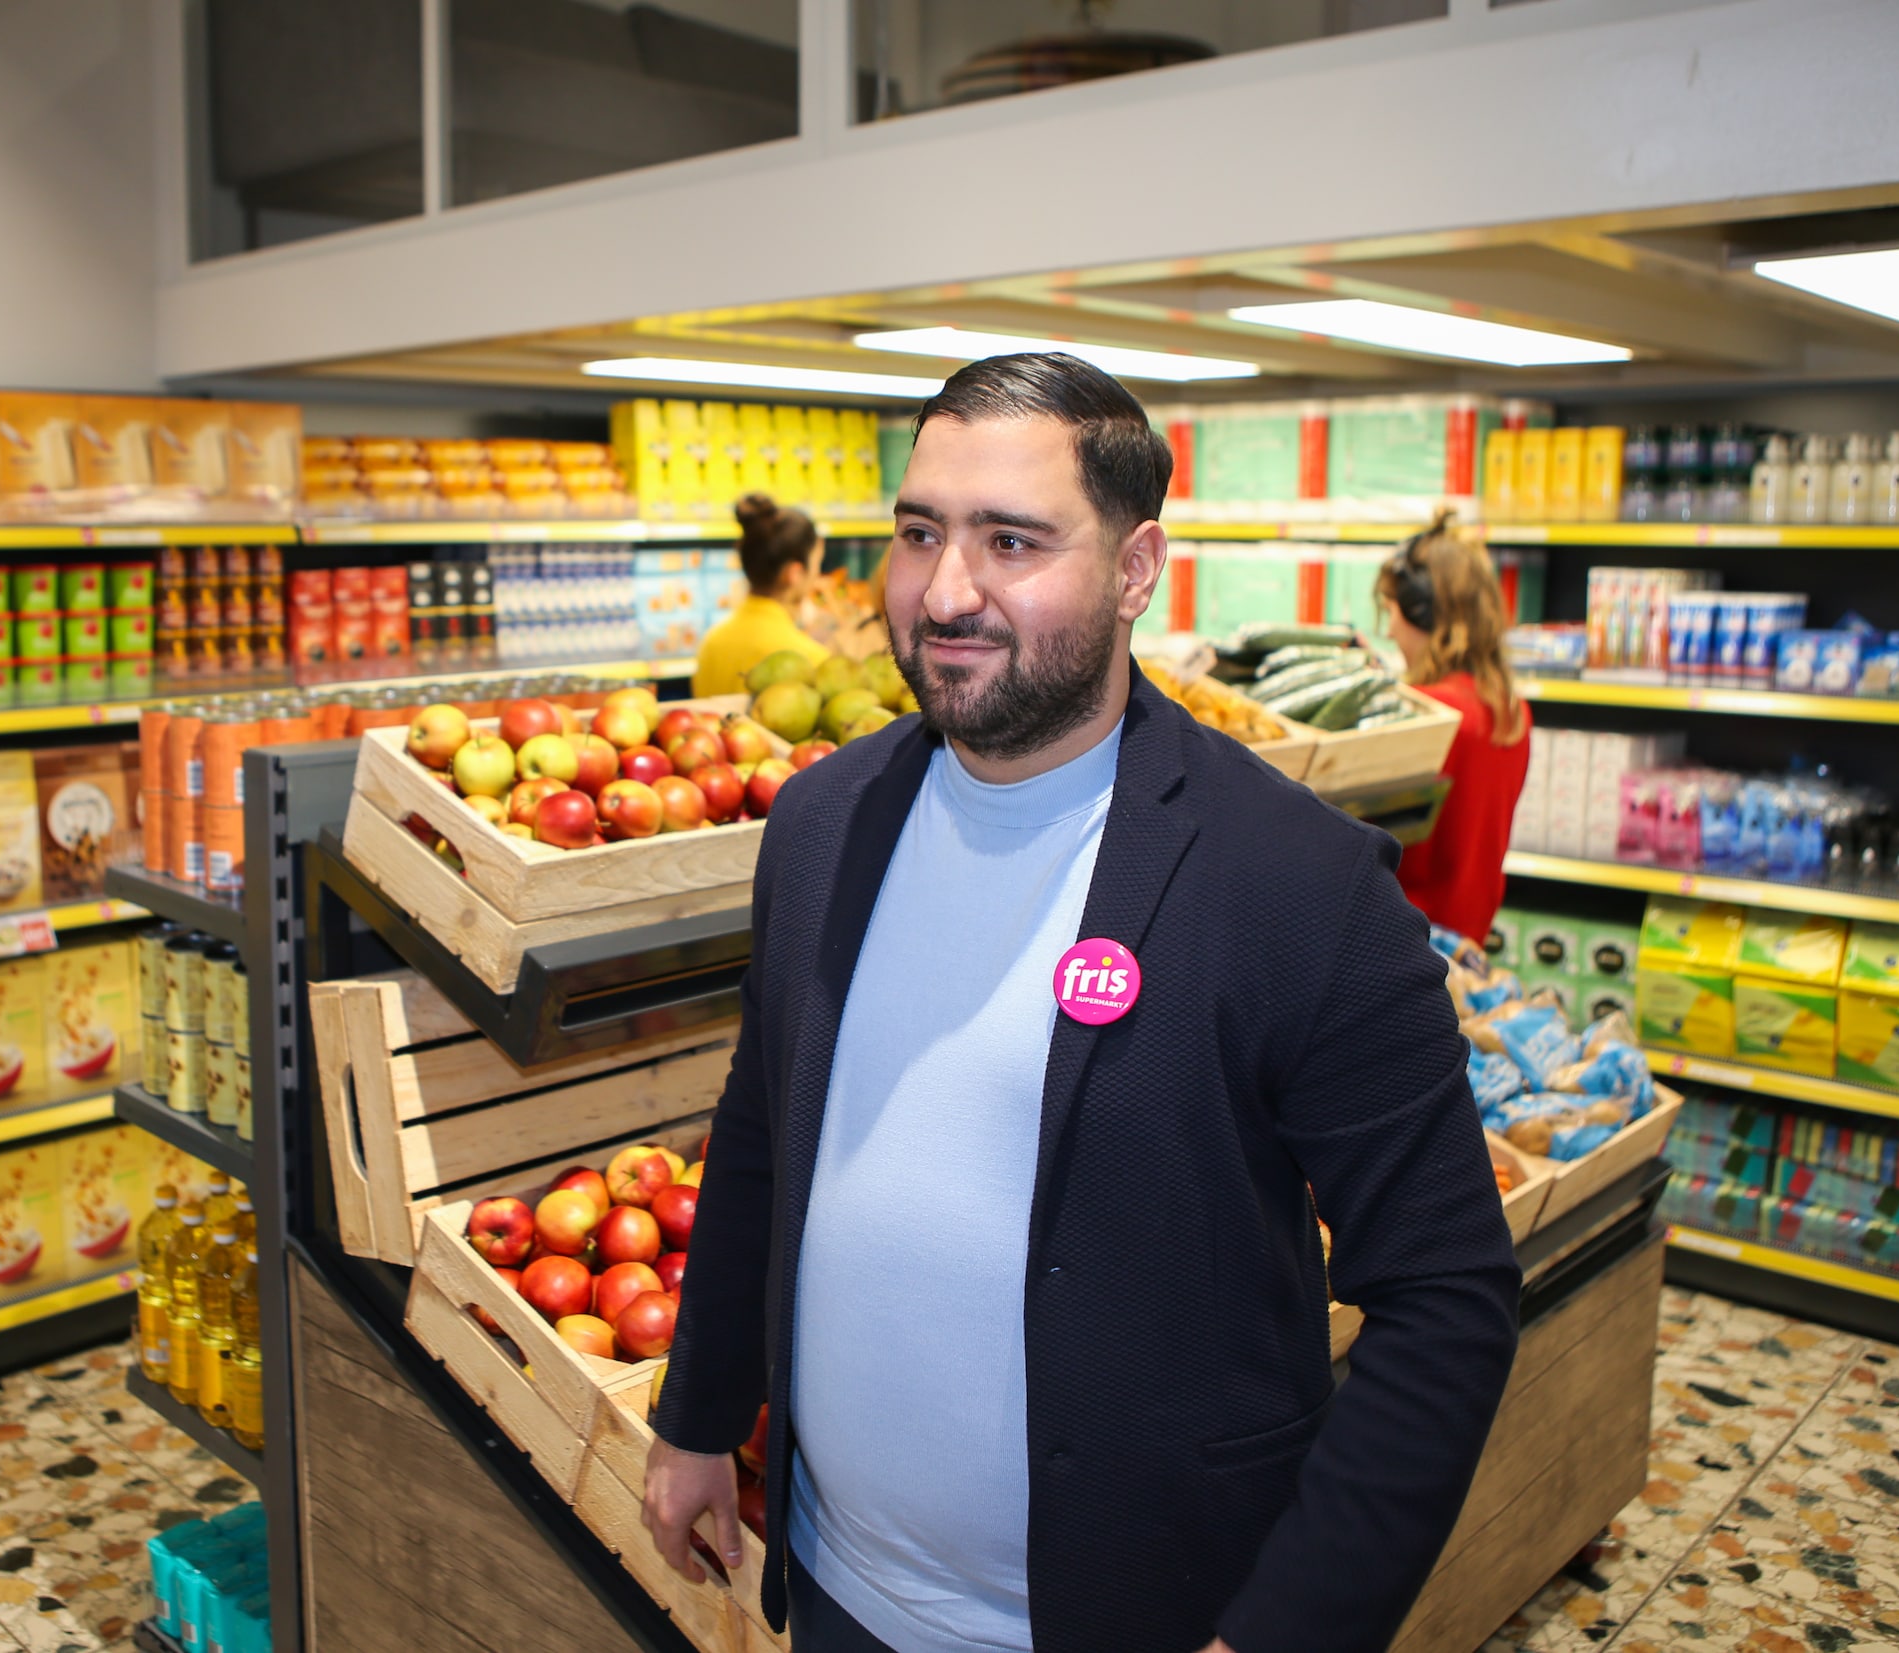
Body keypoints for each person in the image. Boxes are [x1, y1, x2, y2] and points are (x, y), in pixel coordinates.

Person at [640, 354, 1521, 1653]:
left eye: (1011, 541)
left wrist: (1285, 1634)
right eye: (920, 532)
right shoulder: (822, 825)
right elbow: (766, 1135)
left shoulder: (1297, 887)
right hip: (832, 1595)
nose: (947, 590)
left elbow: (1448, 1296)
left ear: (1135, 568)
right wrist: (700, 1411)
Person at [1378, 512, 1533, 942]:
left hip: (1407, 940)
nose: (1389, 631)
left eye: (1391, 612)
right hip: (1468, 939)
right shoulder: (1508, 709)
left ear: (1423, 614)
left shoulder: (1431, 714)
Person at [693, 493, 831, 697]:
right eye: (817, 563)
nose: (817, 574)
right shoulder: (811, 659)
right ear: (794, 573)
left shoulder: (711, 642)